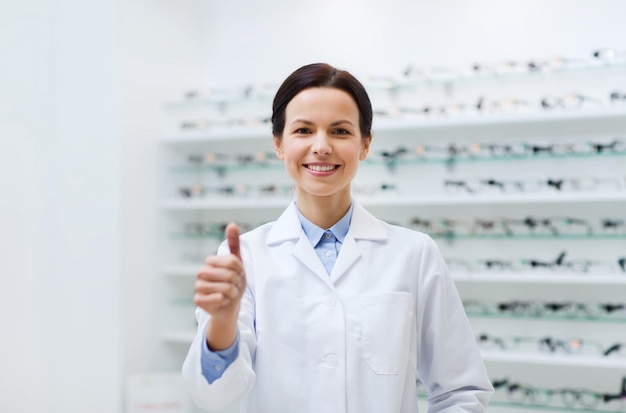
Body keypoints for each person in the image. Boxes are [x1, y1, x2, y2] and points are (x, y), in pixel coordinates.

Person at [182, 63, 494, 412]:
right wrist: (222, 324)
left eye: (340, 131)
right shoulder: (247, 258)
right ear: (278, 144)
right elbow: (214, 396)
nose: (321, 146)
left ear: (365, 144)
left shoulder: (414, 254)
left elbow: (461, 392)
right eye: (303, 130)